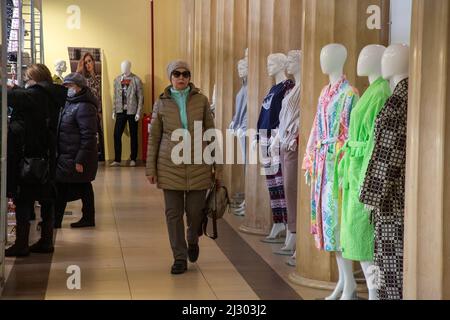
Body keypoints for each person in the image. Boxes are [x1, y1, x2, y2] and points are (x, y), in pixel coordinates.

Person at [146, 60, 222, 275]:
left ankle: (192, 239)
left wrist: (218, 165)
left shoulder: (201, 100)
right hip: (169, 164)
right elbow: (154, 138)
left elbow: (210, 133)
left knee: (195, 212)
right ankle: (179, 257)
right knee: (173, 214)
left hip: (199, 163)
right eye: (177, 74)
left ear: (190, 77)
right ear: (170, 77)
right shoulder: (161, 103)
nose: (181, 77)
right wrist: (151, 168)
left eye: (185, 74)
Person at [5, 64, 66, 257]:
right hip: (45, 154)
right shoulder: (51, 95)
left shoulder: (36, 95)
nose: (26, 82)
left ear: (35, 79)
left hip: (29, 155)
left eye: (27, 79)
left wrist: (8, 87)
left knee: (23, 198)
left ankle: (21, 243)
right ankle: (46, 240)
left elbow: (16, 97)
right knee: (46, 198)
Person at [54, 73, 99, 229]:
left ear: (80, 87)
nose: (68, 89)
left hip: (76, 156)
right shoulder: (70, 103)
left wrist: (80, 160)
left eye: (71, 86)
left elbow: (89, 136)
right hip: (68, 154)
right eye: (66, 86)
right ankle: (60, 220)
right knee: (74, 186)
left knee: (78, 186)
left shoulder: (85, 106)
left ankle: (83, 218)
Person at [76, 52, 104, 161]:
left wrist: (100, 111)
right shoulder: (83, 79)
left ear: (93, 62)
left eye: (89, 61)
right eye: (86, 62)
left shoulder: (99, 78)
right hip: (88, 111)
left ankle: (99, 155)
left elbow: (101, 96)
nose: (88, 64)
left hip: (98, 111)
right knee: (89, 135)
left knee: (99, 134)